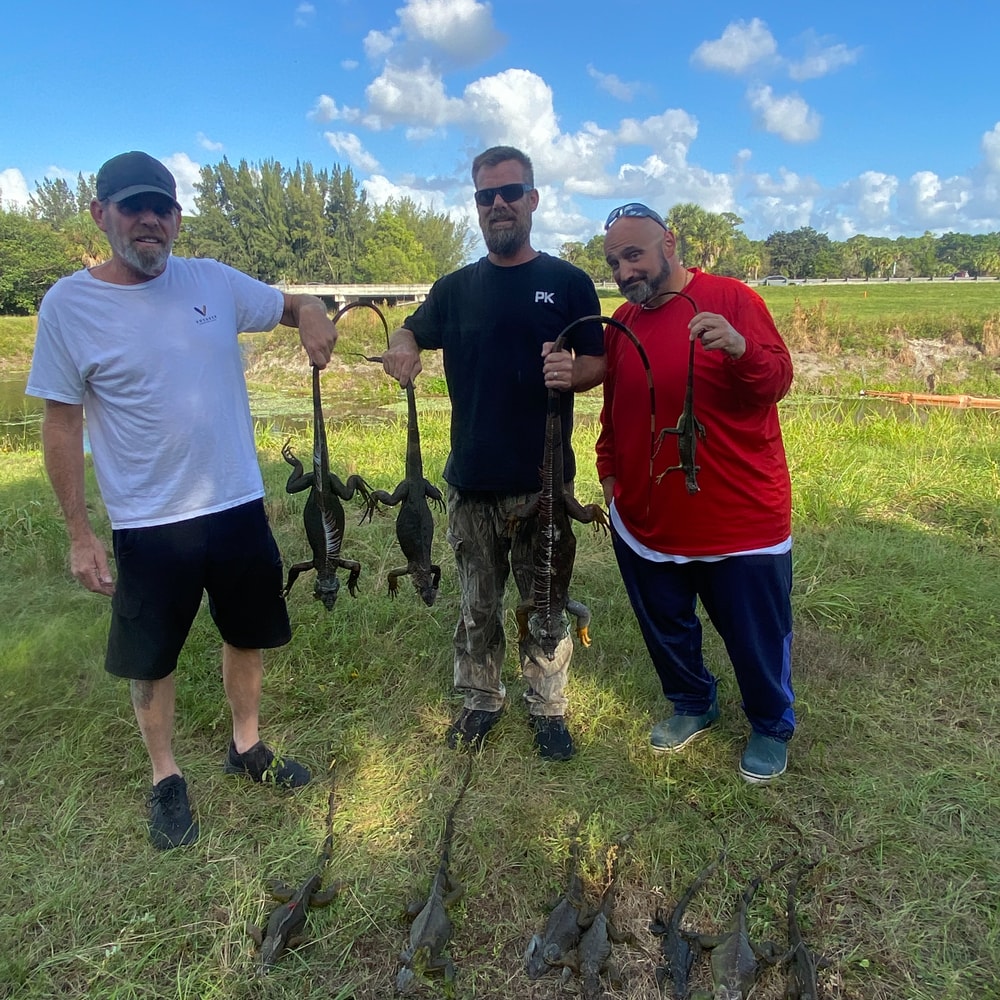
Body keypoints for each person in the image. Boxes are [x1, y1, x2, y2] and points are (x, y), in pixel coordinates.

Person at [26, 151, 338, 849]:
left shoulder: (212, 282)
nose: (148, 221)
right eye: (132, 207)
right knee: (151, 659)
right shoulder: (70, 305)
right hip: (147, 521)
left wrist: (313, 313)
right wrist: (81, 533)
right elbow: (61, 421)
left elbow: (290, 305)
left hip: (235, 505)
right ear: (100, 213)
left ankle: (246, 746)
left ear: (176, 217)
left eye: (160, 208)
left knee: (245, 634)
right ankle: (166, 777)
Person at [381, 145, 605, 761]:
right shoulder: (455, 289)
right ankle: (480, 699)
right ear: (477, 206)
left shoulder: (566, 282)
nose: (499, 204)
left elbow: (600, 360)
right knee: (478, 603)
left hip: (543, 482)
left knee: (545, 602)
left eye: (511, 192)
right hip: (472, 479)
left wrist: (572, 371)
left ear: (532, 199)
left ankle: (548, 707)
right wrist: (402, 345)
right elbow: (412, 330)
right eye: (487, 196)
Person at [597, 202, 795, 783]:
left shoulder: (734, 300)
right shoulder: (623, 322)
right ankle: (692, 701)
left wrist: (739, 348)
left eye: (634, 254)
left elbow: (776, 381)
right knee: (665, 623)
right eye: (614, 262)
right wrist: (610, 480)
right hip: (645, 518)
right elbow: (615, 412)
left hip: (740, 519)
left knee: (756, 631)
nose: (625, 271)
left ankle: (769, 723)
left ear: (670, 244)